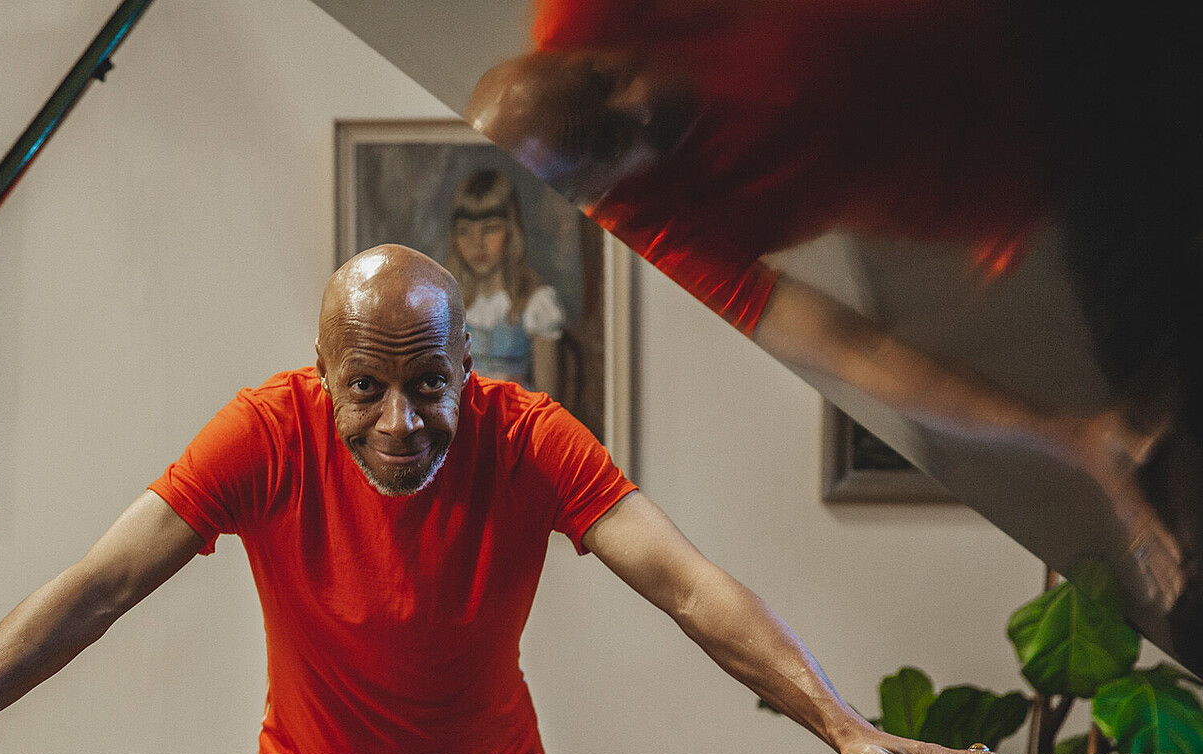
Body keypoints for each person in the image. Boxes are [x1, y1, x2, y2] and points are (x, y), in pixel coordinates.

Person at [0, 245, 1049, 754]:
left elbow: (692, 585)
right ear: (322, 381)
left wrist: (839, 727)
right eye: (366, 389)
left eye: (430, 386)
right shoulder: (260, 433)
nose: (401, 423)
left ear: (469, 371)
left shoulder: (533, 440)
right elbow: (98, 582)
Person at [467, 0, 1189, 609]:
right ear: (591, 192)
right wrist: (1077, 439)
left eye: (603, 76)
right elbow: (859, 353)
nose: (642, 100)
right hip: (1039, 160)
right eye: (617, 138)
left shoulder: (585, 13)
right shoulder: (656, 230)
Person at [444, 169, 566, 396]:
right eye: (465, 231)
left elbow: (547, 397)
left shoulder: (535, 303)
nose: (476, 243)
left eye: (490, 229)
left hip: (515, 423)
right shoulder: (449, 301)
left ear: (511, 232)